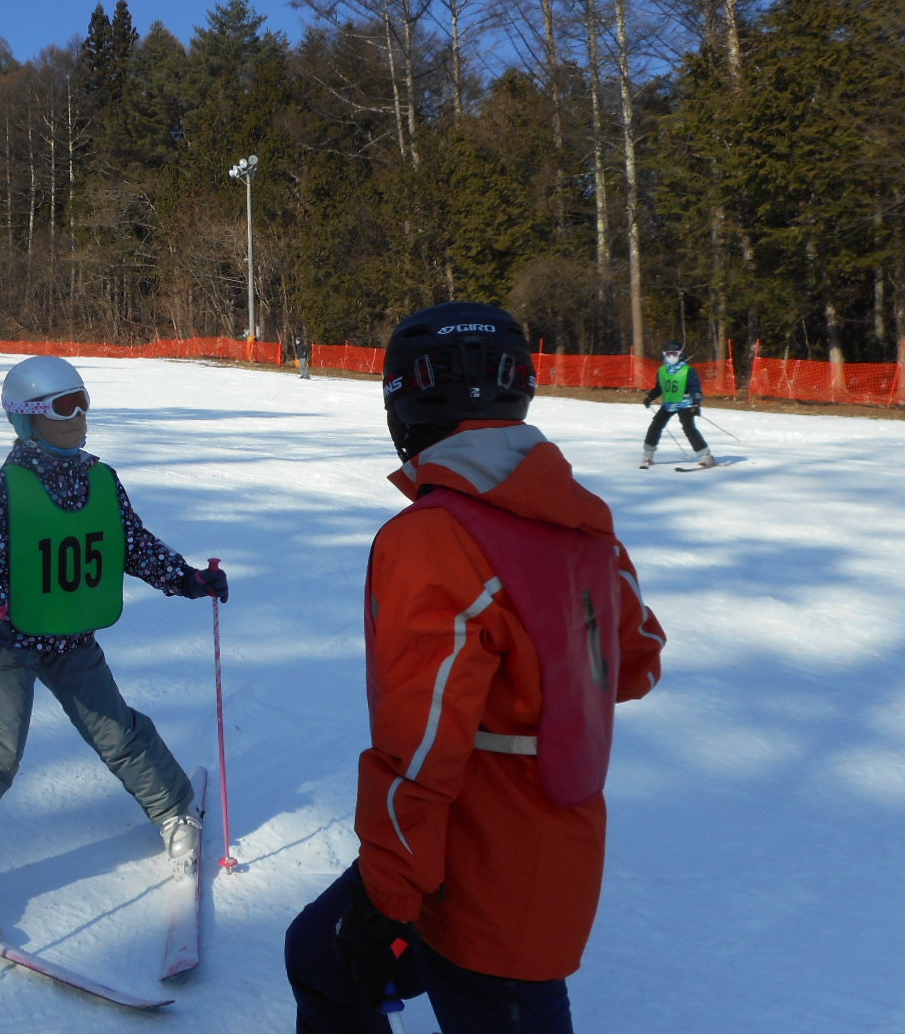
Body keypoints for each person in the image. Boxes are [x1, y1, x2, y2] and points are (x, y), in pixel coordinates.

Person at [285, 302, 666, 1034]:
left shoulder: (432, 539)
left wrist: (385, 897)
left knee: (392, 972)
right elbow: (636, 664)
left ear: (406, 404)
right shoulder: (581, 524)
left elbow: (419, 747)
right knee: (320, 956)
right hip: (537, 852)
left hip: (483, 876)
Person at [0, 355, 230, 923]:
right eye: (64, 407)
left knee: (115, 728)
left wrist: (186, 579)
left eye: (84, 401)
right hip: (12, 642)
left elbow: (132, 545)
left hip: (71, 634)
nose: (80, 417)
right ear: (27, 419)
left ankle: (174, 811)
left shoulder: (101, 479)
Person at [641, 340, 714, 468]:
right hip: (668, 404)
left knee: (689, 429)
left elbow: (695, 388)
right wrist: (650, 397)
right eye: (668, 354)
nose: (671, 357)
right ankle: (648, 455)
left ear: (680, 354)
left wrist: (696, 404)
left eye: (674, 353)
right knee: (655, 426)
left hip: (685, 404)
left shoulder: (688, 370)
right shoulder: (662, 370)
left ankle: (706, 456)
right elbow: (659, 387)